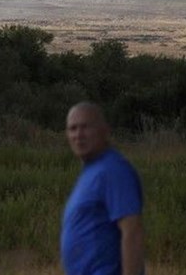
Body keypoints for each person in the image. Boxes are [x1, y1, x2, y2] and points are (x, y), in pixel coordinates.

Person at [61, 102, 145, 275]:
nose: (79, 135)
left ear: (104, 131)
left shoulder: (113, 170)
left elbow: (132, 231)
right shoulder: (92, 171)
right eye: (73, 129)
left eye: (85, 127)